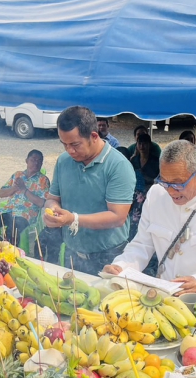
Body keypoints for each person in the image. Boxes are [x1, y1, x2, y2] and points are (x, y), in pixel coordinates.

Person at [103, 140, 196, 296]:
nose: (170, 191)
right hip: (166, 297)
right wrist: (121, 266)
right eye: (164, 181)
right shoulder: (156, 194)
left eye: (178, 184)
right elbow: (142, 244)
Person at [43, 106, 136, 274]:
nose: (69, 150)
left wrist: (73, 219)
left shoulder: (118, 166)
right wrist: (52, 210)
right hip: (73, 251)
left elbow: (117, 217)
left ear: (94, 136)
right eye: (64, 144)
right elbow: (53, 198)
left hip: (109, 255)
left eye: (75, 144)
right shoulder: (64, 161)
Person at [0, 150, 50, 244]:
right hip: (7, 210)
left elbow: (42, 203)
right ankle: (0, 245)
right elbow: (1, 193)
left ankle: (7, 249)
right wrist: (14, 188)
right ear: (26, 160)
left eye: (39, 160)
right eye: (33, 159)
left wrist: (24, 190)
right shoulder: (17, 175)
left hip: (25, 214)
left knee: (11, 234)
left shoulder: (43, 180)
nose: (36, 163)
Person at [117, 145, 146, 240]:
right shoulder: (111, 174)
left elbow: (139, 196)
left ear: (129, 160)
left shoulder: (136, 173)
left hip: (133, 214)